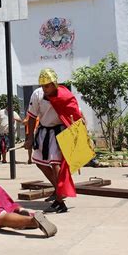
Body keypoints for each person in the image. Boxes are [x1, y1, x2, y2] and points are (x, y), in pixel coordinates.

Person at [24, 68, 82, 214]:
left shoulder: (65, 95)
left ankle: (60, 202)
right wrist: (30, 137)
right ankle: (58, 190)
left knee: (55, 164)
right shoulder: (37, 94)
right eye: (43, 85)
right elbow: (31, 116)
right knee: (38, 161)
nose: (45, 88)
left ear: (54, 83)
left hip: (60, 132)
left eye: (47, 85)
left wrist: (79, 137)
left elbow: (75, 113)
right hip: (43, 131)